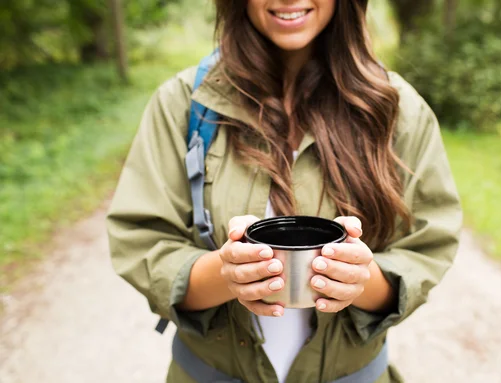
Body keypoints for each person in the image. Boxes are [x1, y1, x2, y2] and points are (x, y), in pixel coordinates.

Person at [106, 1, 462, 382]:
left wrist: (362, 280)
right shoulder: (184, 105)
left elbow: (426, 249)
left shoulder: (396, 110)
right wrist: (225, 274)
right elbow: (142, 240)